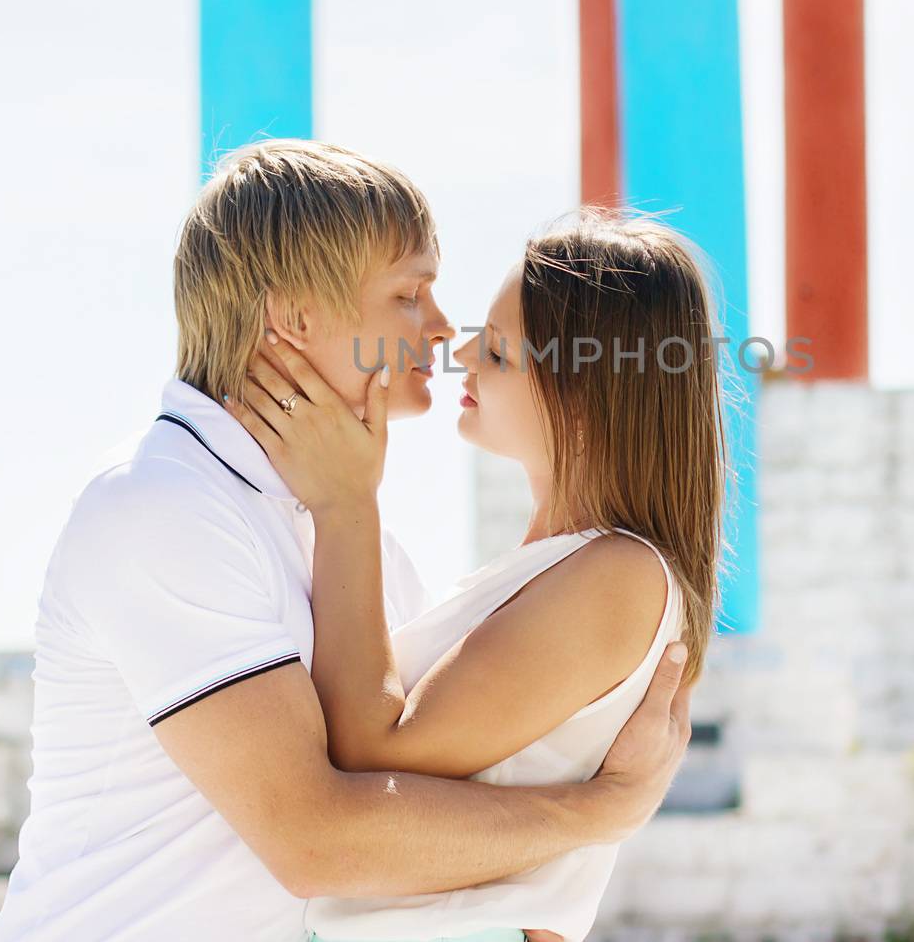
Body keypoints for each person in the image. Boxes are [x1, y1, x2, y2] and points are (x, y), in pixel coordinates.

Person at [0, 142, 693, 942]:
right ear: (294, 318)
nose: (439, 329)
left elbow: (417, 831)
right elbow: (319, 839)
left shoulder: (359, 546)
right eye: (408, 293)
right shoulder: (164, 507)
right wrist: (602, 810)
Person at [226, 210, 726, 942]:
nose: (460, 351)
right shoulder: (561, 568)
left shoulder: (619, 574)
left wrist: (346, 502)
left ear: (582, 393)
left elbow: (373, 750)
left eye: (495, 350)